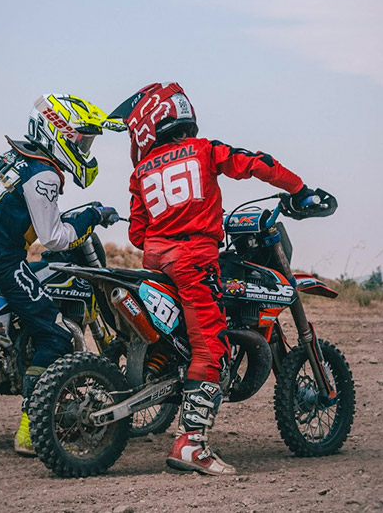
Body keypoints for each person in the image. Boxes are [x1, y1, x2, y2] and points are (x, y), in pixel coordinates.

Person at [109, 82, 318, 475]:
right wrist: (299, 189)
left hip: (157, 262)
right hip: (194, 259)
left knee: (186, 341)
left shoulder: (142, 170)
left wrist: (170, 229)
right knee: (210, 347)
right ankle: (192, 444)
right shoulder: (204, 150)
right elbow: (255, 163)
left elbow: (137, 233)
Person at [0, 93, 121, 455]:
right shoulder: (44, 173)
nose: (84, 147)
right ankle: (32, 430)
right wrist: (90, 216)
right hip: (0, 261)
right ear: (56, 131)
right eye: (81, 138)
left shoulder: (11, 156)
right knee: (56, 334)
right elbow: (54, 237)